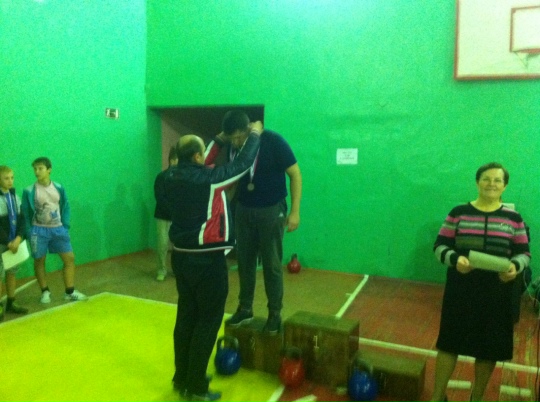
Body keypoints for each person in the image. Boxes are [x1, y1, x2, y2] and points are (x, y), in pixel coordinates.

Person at [166, 124, 261, 401]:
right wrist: (255, 134)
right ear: (197, 157)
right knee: (208, 322)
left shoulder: (170, 176)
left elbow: (200, 161)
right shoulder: (208, 180)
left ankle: (182, 378)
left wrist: (218, 140)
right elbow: (241, 166)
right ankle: (196, 387)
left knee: (186, 318)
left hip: (181, 258)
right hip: (207, 261)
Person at [430, 162, 530, 402]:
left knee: (488, 349)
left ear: (505, 186)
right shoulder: (458, 212)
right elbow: (440, 246)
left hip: (497, 292)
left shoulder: (514, 219)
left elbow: (523, 254)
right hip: (461, 289)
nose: (491, 184)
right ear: (477, 182)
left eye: (497, 180)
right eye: (486, 179)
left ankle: (477, 397)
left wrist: (514, 268)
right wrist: (455, 259)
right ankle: (437, 396)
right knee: (449, 343)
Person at [206, 110, 301, 334]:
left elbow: (295, 174)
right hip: (244, 210)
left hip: (271, 210)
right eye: (231, 139)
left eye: (238, 137)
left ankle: (275, 313)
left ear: (249, 129)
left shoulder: (273, 141)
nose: (236, 143)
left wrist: (295, 211)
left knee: (272, 265)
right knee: (245, 263)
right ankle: (245, 308)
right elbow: (234, 180)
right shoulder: (233, 147)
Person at [21, 157, 87, 304]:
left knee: (69, 258)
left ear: (49, 170)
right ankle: (45, 291)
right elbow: (25, 212)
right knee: (39, 260)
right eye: (35, 169)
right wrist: (29, 232)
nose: (37, 171)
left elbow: (65, 206)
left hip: (58, 229)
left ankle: (70, 292)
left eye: (40, 168)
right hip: (38, 231)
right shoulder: (29, 190)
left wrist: (65, 226)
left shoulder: (59, 187)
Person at [0, 166, 29, 320]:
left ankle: (11, 302)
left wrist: (18, 238)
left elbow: (22, 219)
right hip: (2, 243)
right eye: (6, 178)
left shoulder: (15, 197)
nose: (10, 181)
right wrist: (7, 242)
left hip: (14, 243)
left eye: (12, 177)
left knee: (11, 272)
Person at [154, 146, 178, 281]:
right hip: (163, 216)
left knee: (177, 246)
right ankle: (161, 270)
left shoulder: (182, 177)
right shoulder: (161, 177)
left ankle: (176, 269)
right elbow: (160, 197)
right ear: (172, 160)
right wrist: (172, 210)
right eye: (178, 160)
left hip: (177, 217)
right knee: (162, 244)